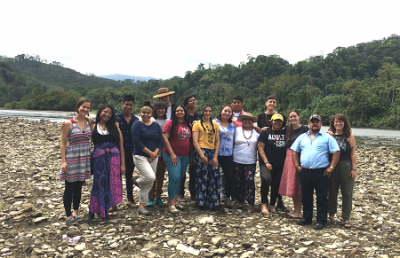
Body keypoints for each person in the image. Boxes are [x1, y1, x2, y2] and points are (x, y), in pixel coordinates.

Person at [291, 114, 340, 230]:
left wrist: (331, 167)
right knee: (306, 196)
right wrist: (297, 165)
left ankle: (321, 220)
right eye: (312, 122)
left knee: (322, 197)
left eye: (317, 122)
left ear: (321, 124)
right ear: (309, 124)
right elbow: (294, 151)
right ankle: (307, 218)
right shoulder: (302, 137)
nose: (314, 124)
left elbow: (336, 152)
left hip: (321, 172)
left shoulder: (327, 137)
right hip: (305, 171)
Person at [86, 104, 125, 220]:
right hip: (99, 158)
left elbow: (121, 146)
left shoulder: (114, 127)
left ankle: (105, 211)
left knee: (110, 183)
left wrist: (123, 164)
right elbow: (81, 117)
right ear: (100, 112)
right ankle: (92, 211)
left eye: (109, 113)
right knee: (98, 183)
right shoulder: (93, 125)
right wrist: (67, 123)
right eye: (105, 112)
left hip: (114, 157)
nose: (107, 114)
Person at [60, 98, 94, 223]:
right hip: (72, 157)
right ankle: (68, 215)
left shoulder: (90, 121)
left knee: (79, 185)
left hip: (85, 157)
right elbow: (63, 143)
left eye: (88, 108)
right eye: (83, 107)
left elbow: (101, 127)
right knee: (69, 186)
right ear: (78, 107)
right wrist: (64, 161)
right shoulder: (69, 123)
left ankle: (76, 211)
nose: (85, 109)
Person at [131, 100, 163, 215]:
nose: (145, 115)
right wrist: (151, 153)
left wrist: (155, 153)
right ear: (140, 113)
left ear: (151, 114)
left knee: (150, 181)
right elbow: (136, 142)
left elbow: (160, 140)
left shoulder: (155, 125)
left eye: (148, 113)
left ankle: (141, 206)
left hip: (154, 155)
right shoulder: (137, 124)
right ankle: (137, 181)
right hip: (140, 155)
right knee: (150, 177)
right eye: (143, 112)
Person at [328, 114, 357, 228]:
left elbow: (353, 153)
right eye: (336, 121)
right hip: (332, 165)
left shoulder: (349, 136)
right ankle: (331, 215)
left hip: (346, 165)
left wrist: (354, 169)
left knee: (347, 192)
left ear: (344, 123)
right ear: (333, 123)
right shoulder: (329, 135)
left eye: (340, 121)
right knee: (332, 191)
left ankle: (346, 218)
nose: (338, 123)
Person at [279, 109, 309, 219]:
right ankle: (295, 209)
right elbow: (275, 130)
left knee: (299, 185)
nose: (293, 119)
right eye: (291, 117)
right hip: (289, 158)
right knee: (293, 185)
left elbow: (315, 135)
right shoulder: (287, 128)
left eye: (294, 116)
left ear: (299, 116)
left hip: (300, 157)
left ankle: (298, 211)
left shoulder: (305, 129)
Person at [162, 105, 192, 213]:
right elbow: (165, 138)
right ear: (174, 112)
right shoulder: (170, 123)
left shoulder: (188, 124)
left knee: (179, 177)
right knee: (174, 177)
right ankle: (171, 203)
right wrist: (172, 154)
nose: (180, 112)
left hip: (185, 156)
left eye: (181, 110)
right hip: (172, 155)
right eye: (177, 111)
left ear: (184, 111)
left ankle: (175, 201)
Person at [258, 113, 288, 216]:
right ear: (271, 122)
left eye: (280, 121)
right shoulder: (265, 133)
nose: (277, 123)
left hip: (280, 164)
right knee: (266, 180)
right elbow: (260, 148)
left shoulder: (285, 133)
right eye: (275, 121)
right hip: (266, 163)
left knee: (276, 184)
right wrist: (266, 162)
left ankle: (272, 204)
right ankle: (263, 203)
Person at [192, 104, 221, 211]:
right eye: (206, 111)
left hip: (212, 151)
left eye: (210, 111)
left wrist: (215, 156)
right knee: (202, 177)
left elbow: (217, 141)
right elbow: (195, 141)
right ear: (202, 112)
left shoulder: (215, 124)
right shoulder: (197, 124)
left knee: (214, 177)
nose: (208, 113)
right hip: (201, 151)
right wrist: (202, 155)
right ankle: (201, 201)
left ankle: (213, 201)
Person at [233, 113, 260, 213]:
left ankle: (251, 203)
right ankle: (240, 201)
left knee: (250, 181)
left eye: (250, 120)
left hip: (250, 161)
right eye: (245, 120)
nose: (247, 121)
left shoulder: (257, 132)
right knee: (239, 181)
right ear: (242, 121)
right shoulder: (236, 130)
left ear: (252, 122)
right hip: (237, 159)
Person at [116, 95, 138, 208]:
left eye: (130, 105)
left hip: (131, 151)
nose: (128, 107)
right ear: (122, 104)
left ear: (133, 106)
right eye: (126, 104)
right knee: (115, 176)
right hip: (117, 151)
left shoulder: (136, 120)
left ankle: (130, 199)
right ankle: (113, 201)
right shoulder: (115, 118)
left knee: (129, 175)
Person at [178, 94, 201, 202]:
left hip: (195, 146)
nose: (193, 102)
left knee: (194, 171)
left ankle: (193, 193)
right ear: (186, 104)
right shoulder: (184, 116)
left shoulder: (198, 116)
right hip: (184, 145)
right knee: (181, 172)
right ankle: (180, 193)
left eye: (194, 100)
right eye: (191, 101)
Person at [147, 101, 169, 207]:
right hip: (152, 152)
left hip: (164, 153)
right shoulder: (151, 120)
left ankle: (158, 197)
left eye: (163, 108)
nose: (161, 110)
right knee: (151, 176)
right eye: (158, 108)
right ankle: (150, 197)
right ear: (155, 110)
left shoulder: (168, 121)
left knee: (160, 176)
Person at [215, 104, 236, 208]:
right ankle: (214, 197)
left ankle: (226, 197)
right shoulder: (215, 122)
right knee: (215, 176)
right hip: (216, 153)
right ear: (221, 111)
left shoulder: (233, 123)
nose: (227, 113)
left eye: (229, 112)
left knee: (230, 176)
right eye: (225, 111)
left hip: (228, 154)